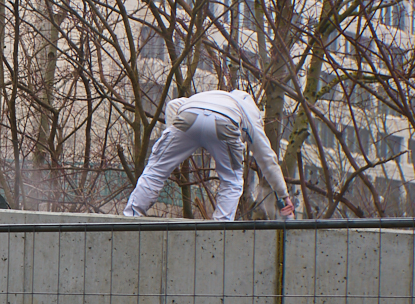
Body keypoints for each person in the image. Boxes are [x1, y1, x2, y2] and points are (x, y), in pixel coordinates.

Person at [123, 88, 298, 221]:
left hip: (188, 115)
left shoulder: (212, 95)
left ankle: (130, 217)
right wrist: (283, 194)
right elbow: (267, 159)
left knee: (155, 171)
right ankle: (219, 229)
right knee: (232, 181)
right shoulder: (249, 113)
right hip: (225, 122)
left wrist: (174, 139)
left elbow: (173, 105)